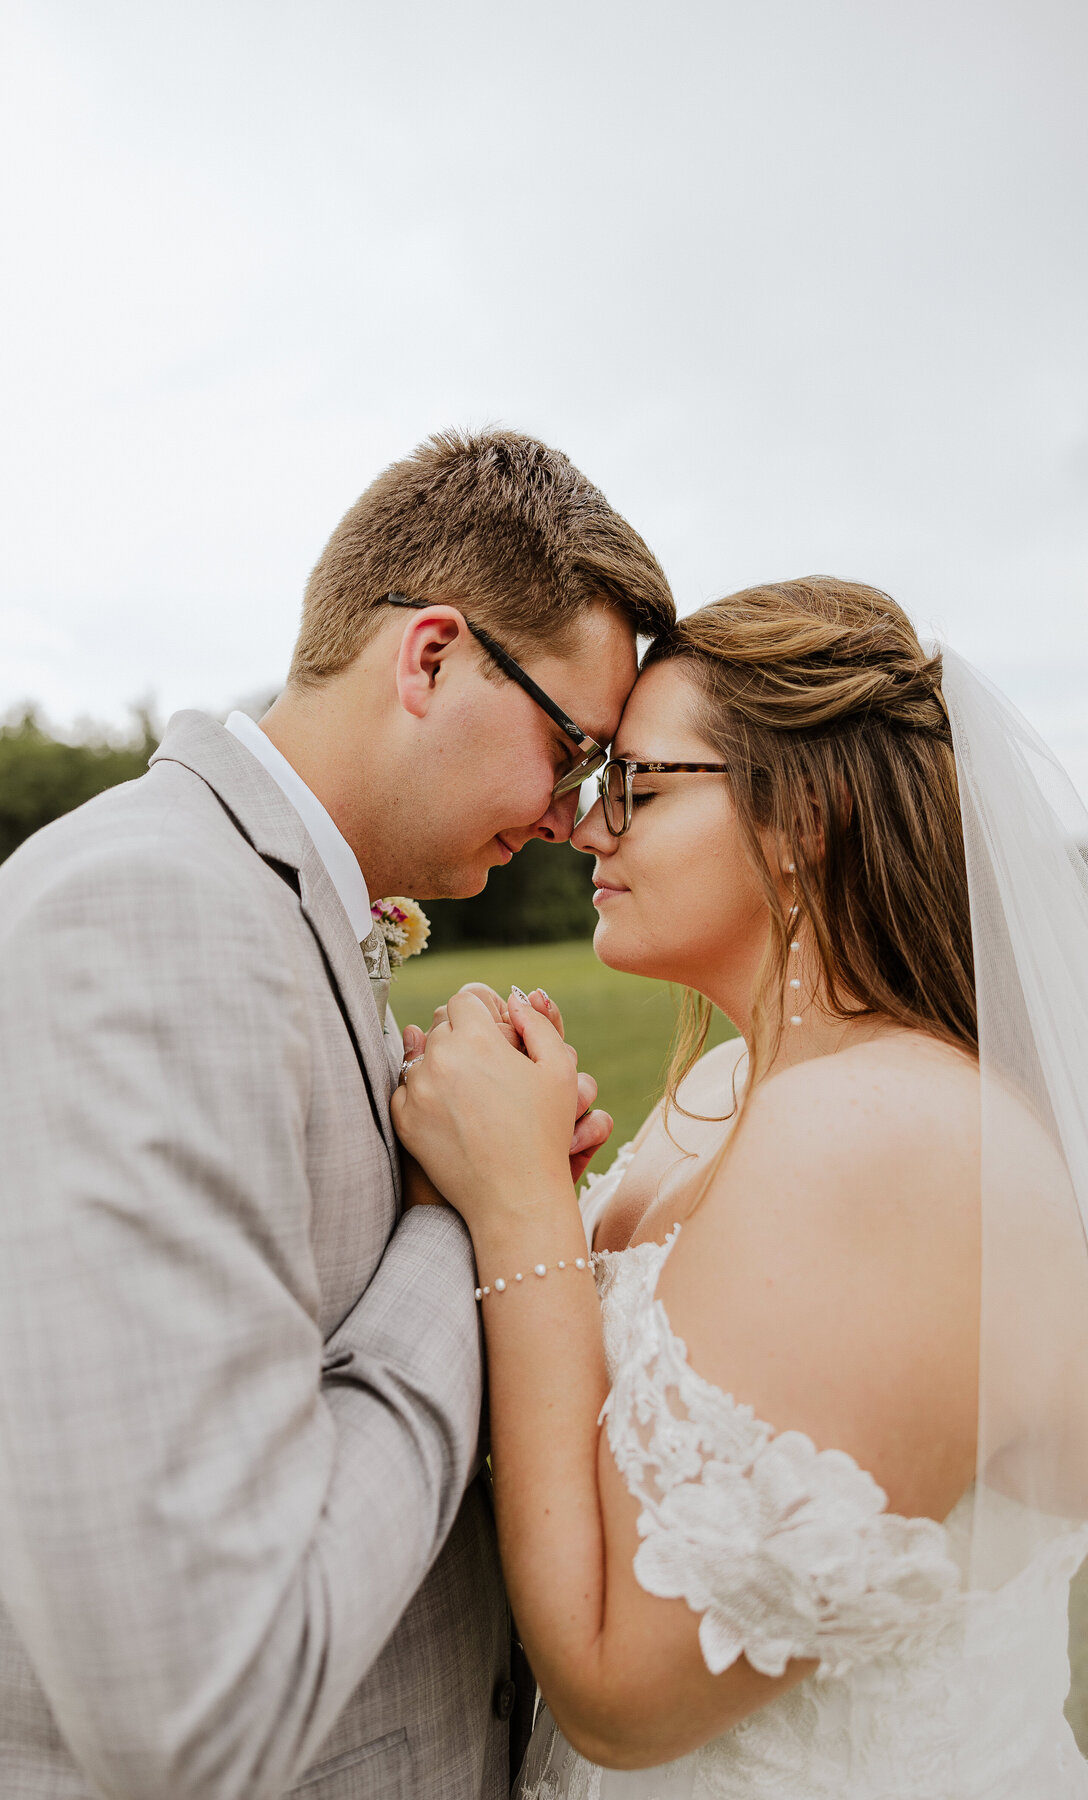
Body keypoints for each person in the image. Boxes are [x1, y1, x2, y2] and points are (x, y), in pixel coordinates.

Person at [0, 429, 676, 1800]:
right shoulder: (134, 924)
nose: (572, 819)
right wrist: (478, 1213)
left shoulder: (266, 917)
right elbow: (199, 1705)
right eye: (572, 750)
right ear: (430, 657)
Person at [394, 576, 1088, 1797]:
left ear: (801, 816)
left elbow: (620, 1691)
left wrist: (520, 1210)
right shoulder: (723, 1087)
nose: (585, 828)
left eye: (636, 786)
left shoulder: (895, 1141)